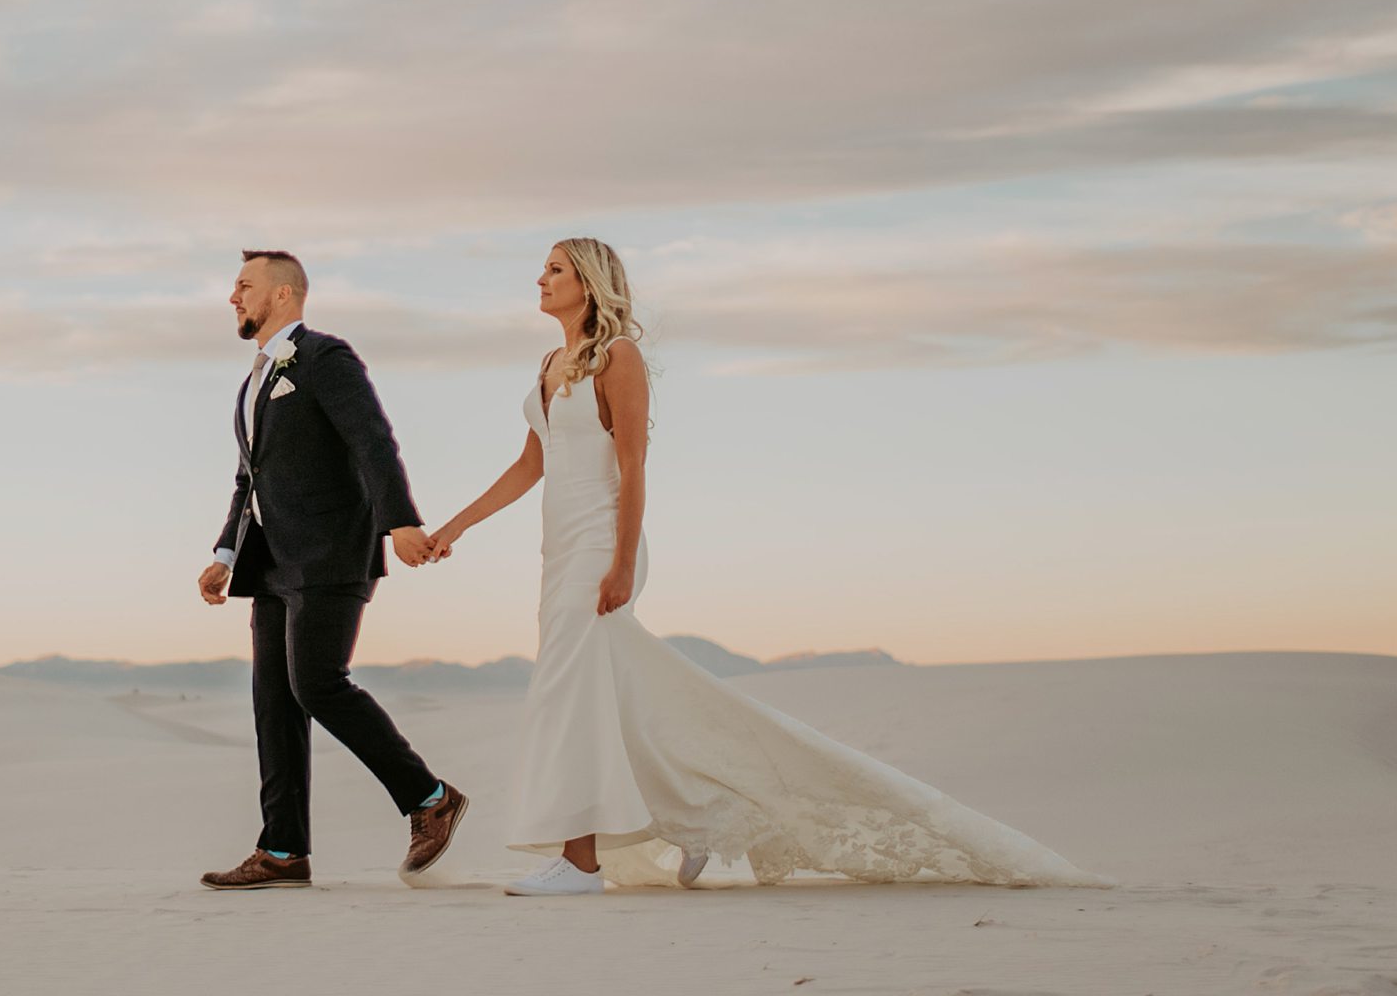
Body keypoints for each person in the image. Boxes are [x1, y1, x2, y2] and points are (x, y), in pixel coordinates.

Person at [425, 238, 1108, 896]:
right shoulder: (550, 364)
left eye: (555, 270)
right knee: (613, 696)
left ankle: (578, 863)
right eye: (542, 270)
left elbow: (633, 467)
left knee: (567, 695)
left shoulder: (619, 358)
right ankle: (697, 816)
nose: (540, 280)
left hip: (604, 544)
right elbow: (530, 465)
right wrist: (454, 527)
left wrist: (623, 563)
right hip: (560, 548)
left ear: (590, 284)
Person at [195, 249, 467, 890]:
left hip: (330, 552)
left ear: (285, 295)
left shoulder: (323, 357)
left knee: (316, 683)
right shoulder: (254, 381)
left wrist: (399, 520)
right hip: (272, 565)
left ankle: (430, 798)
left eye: (244, 286)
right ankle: (284, 851)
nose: (233, 298)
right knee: (273, 702)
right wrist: (224, 555)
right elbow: (249, 478)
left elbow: (373, 438)